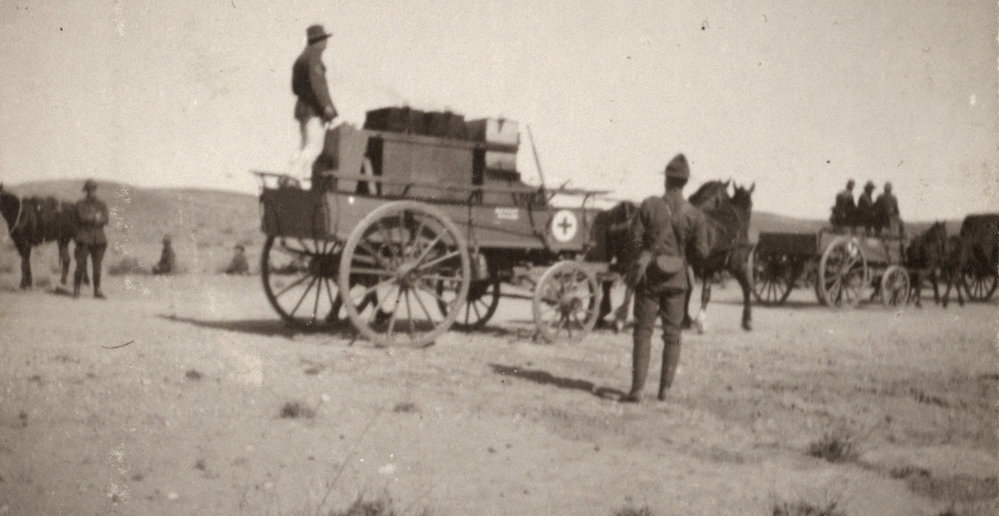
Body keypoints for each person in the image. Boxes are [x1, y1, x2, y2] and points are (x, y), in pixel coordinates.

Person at [623, 153, 709, 403]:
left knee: (642, 331)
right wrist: (683, 257)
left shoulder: (649, 205)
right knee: (673, 334)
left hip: (650, 279)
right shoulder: (695, 215)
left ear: (666, 180)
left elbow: (634, 239)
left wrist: (646, 251)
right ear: (685, 182)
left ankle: (637, 390)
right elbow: (701, 252)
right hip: (678, 280)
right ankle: (665, 390)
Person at [290, 24, 338, 184]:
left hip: (302, 109)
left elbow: (295, 88)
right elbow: (318, 86)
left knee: (303, 146)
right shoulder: (314, 59)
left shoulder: (300, 59)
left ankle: (290, 177)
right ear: (318, 41)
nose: (326, 43)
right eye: (324, 39)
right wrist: (327, 108)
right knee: (315, 146)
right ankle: (294, 178)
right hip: (314, 111)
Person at [73, 179, 109, 299]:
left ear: (95, 190)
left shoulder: (102, 204)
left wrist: (92, 218)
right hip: (84, 238)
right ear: (86, 191)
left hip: (99, 240)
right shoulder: (80, 204)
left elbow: (106, 219)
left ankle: (97, 290)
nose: (91, 192)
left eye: (93, 189)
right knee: (80, 265)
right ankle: (77, 289)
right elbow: (81, 218)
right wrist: (95, 218)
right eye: (89, 189)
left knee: (97, 266)